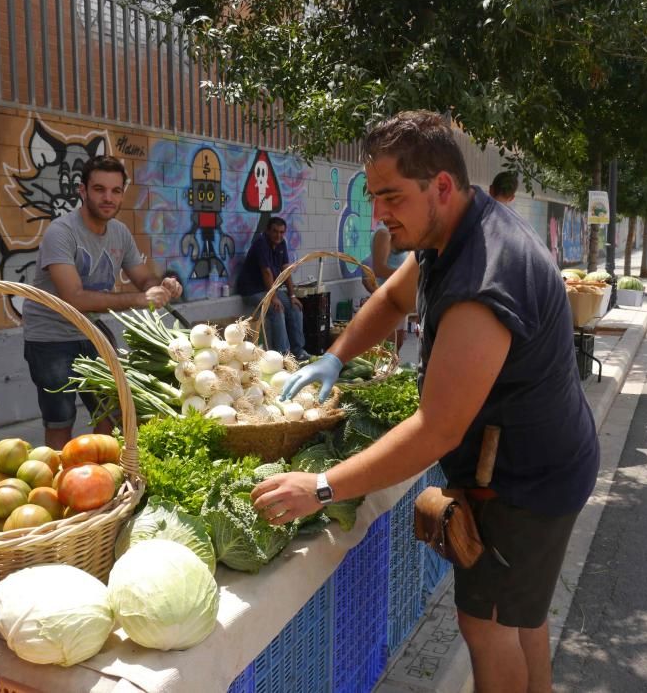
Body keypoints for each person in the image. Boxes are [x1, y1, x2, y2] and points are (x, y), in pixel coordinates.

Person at [251, 111, 599, 693]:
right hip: (548, 461)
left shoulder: (482, 281)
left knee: (487, 627)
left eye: (391, 197)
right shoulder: (449, 233)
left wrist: (322, 487)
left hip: (526, 485)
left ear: (441, 185)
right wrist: (336, 356)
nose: (379, 214)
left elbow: (437, 429)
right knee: (522, 615)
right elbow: (390, 299)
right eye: (372, 196)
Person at [23, 155, 182, 449]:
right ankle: (57, 480)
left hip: (91, 331)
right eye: (99, 189)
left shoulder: (120, 232)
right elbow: (75, 299)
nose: (108, 198)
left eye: (115, 190)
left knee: (113, 408)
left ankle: (103, 469)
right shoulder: (62, 232)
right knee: (61, 417)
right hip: (50, 337)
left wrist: (160, 287)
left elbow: (142, 279)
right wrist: (139, 298)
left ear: (122, 193)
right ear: (82, 191)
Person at [236, 216, 307, 360]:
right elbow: (267, 272)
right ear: (267, 231)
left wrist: (292, 296)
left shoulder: (281, 244)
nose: (278, 235)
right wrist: (273, 298)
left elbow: (286, 270)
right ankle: (283, 356)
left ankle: (298, 351)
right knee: (277, 310)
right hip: (252, 291)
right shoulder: (260, 244)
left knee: (295, 308)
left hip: (269, 289)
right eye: (275, 231)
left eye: (282, 232)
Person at [369, 221, 409, 349]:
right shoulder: (384, 233)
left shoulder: (394, 232)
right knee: (389, 349)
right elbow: (379, 269)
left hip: (400, 298)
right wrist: (409, 275)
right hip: (390, 300)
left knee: (397, 346)